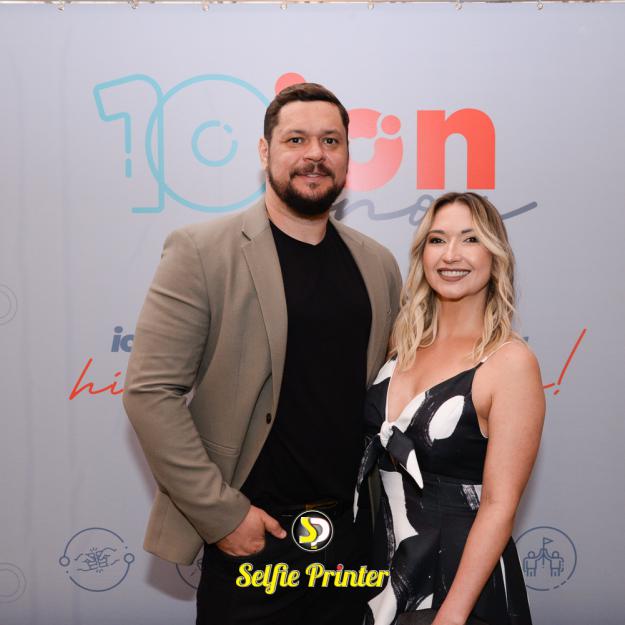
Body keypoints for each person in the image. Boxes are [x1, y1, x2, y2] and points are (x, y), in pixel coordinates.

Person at [123, 82, 402, 625]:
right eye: (296, 139)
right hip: (254, 540)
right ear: (264, 151)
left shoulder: (378, 264)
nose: (315, 154)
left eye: (331, 141)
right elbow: (150, 393)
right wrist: (224, 516)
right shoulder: (202, 251)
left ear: (348, 156)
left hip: (352, 543)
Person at [355, 192, 545, 625]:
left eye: (470, 239)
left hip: (458, 588)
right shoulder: (401, 345)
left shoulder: (509, 363)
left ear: (495, 255)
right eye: (437, 240)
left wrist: (453, 614)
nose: (451, 255)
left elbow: (498, 506)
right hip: (383, 575)